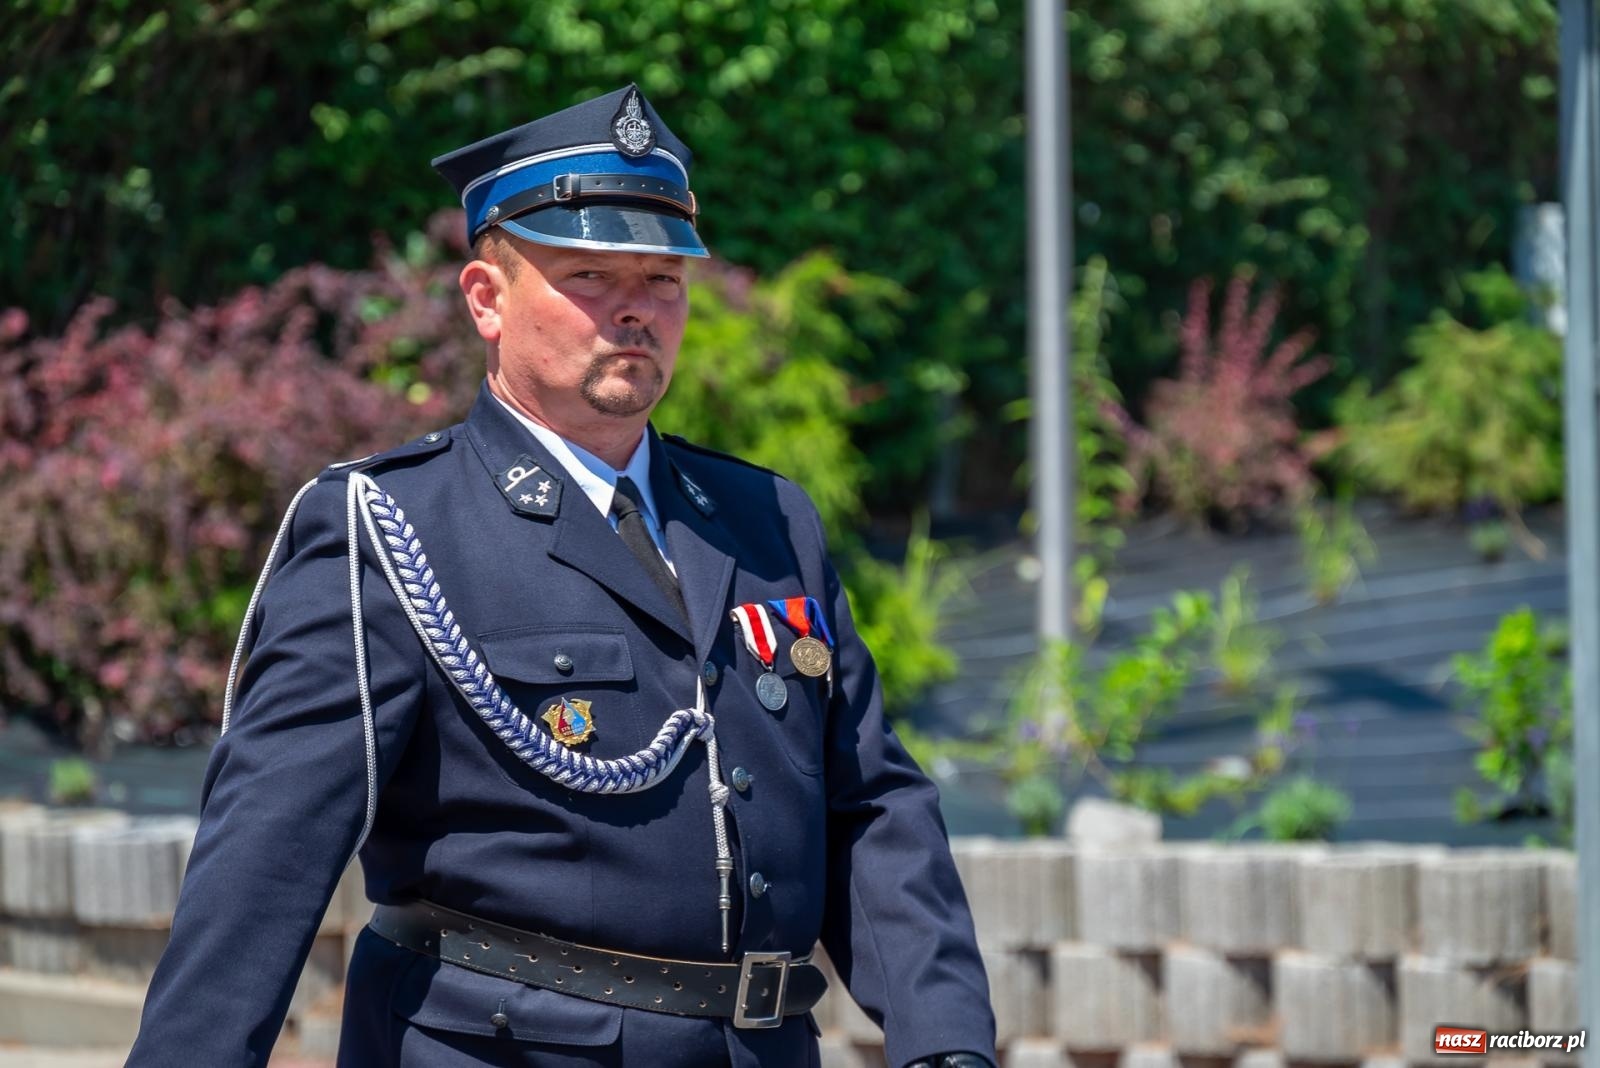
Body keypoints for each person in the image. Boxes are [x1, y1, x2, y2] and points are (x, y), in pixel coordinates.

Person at [127, 84, 996, 1068]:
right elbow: (263, 859)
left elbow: (868, 803)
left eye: (662, 279)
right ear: (486, 300)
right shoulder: (393, 528)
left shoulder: (764, 520)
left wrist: (946, 1044)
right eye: (589, 274)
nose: (635, 308)